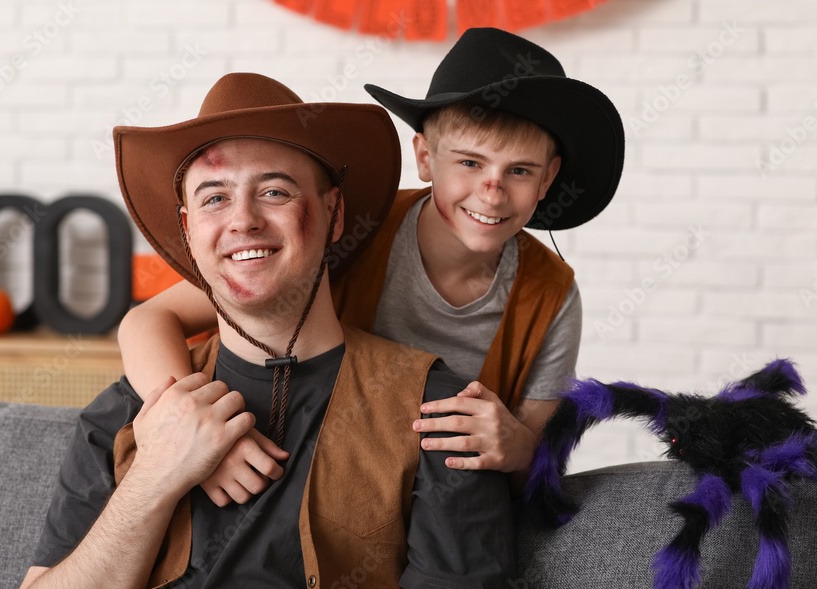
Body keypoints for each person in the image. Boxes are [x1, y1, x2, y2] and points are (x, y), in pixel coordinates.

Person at [16, 73, 515, 589]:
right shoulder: (125, 411)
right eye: (214, 198)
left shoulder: (441, 415)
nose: (243, 221)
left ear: (334, 212)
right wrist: (156, 476)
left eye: (274, 191)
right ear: (188, 230)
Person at [117, 27, 625, 502]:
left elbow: (535, 468)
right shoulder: (348, 230)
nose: (491, 191)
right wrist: (193, 432)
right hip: (311, 473)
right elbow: (148, 318)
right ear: (425, 157)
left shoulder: (553, 298)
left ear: (548, 178)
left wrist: (518, 448)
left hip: (437, 506)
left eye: (519, 170)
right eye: (469, 162)